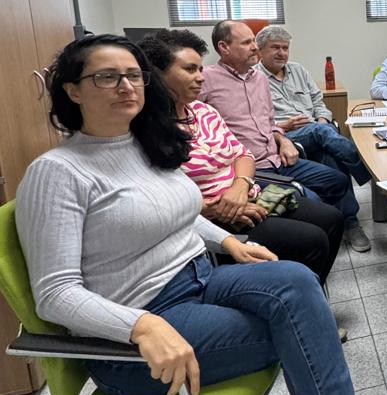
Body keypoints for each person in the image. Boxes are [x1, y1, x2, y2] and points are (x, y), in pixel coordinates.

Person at [15, 35, 387, 395]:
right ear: (73, 90)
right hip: (142, 334)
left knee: (297, 280)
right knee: (306, 330)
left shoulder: (143, 146)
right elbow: (55, 294)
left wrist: (227, 243)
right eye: (106, 77)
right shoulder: (57, 173)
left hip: (200, 278)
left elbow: (180, 214)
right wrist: (141, 326)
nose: (126, 86)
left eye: (134, 75)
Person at [137, 29, 345, 285]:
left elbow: (242, 154)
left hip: (248, 190)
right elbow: (162, 196)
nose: (200, 77)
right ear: (158, 75)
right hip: (214, 214)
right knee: (312, 239)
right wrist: (220, 206)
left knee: (332, 219)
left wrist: (240, 186)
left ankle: (309, 290)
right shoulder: (149, 130)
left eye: (200, 69)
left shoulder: (204, 111)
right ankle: (296, 291)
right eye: (190, 70)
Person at [202, 21, 371, 252]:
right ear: (224, 47)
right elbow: (189, 121)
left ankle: (345, 223)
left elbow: (270, 121)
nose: (254, 47)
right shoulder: (207, 79)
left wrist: (283, 139)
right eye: (249, 42)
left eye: (285, 48)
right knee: (322, 143)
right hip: (255, 162)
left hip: (281, 150)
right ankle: (365, 180)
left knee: (332, 162)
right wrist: (286, 131)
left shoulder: (259, 79)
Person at [255, 26, 372, 240]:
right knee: (322, 133)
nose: (282, 53)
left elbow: (319, 101)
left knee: (329, 154)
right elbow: (258, 121)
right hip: (286, 137)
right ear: (260, 50)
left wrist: (322, 120)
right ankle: (368, 172)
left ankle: (347, 222)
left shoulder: (298, 70)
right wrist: (284, 125)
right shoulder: (254, 79)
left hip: (316, 129)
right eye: (275, 47)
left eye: (285, 48)